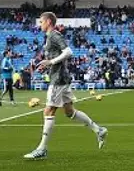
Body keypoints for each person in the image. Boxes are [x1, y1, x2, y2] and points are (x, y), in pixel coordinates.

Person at [24, 12, 108, 160]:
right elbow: (58, 56)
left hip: (58, 80)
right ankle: (99, 130)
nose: (40, 24)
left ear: (49, 22)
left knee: (49, 111)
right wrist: (47, 63)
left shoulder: (54, 35)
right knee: (70, 112)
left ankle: (42, 149)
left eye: (41, 22)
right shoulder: (50, 37)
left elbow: (69, 52)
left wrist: (51, 62)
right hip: (61, 77)